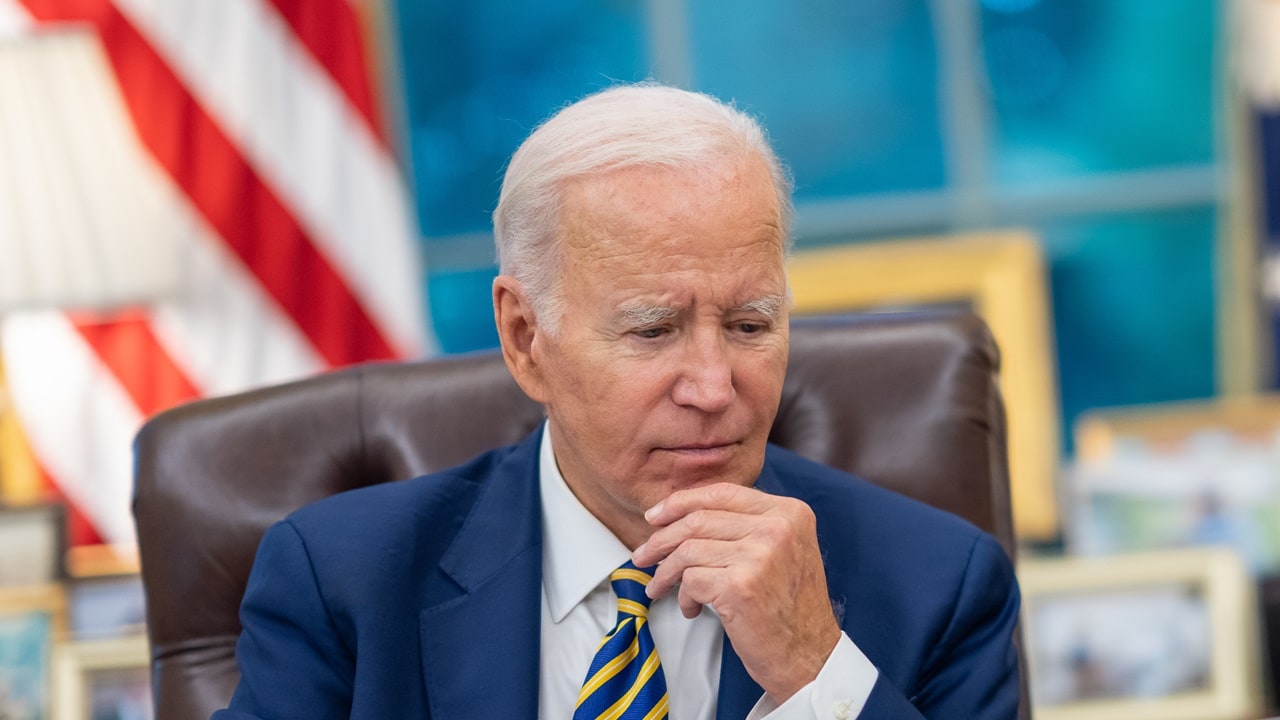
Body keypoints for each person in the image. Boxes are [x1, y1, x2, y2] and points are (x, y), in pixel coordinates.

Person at [213, 83, 1020, 719]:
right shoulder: (345, 582)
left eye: (748, 324)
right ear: (527, 338)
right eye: (653, 331)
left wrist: (816, 674)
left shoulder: (938, 585)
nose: (713, 388)